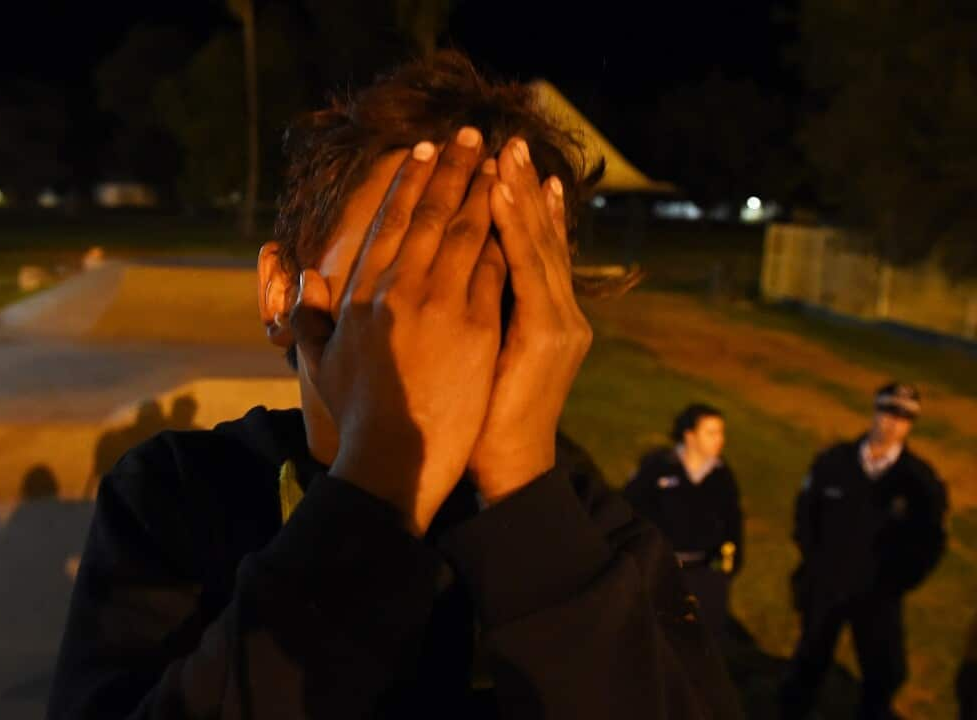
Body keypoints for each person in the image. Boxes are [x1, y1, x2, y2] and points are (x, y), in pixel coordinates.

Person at [47, 51, 741, 719]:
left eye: (500, 276)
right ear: (281, 293)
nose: (454, 317)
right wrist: (375, 487)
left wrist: (527, 498)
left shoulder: (591, 530)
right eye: (412, 264)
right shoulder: (179, 497)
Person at [779, 382, 948, 719]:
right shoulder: (834, 461)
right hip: (827, 586)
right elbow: (805, 516)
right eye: (888, 411)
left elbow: (930, 543)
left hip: (878, 596)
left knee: (881, 674)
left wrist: (896, 583)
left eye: (904, 417)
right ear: (875, 411)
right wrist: (817, 565)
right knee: (809, 662)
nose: (894, 423)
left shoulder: (919, 481)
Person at [624, 404, 743, 638]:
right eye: (711, 432)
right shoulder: (657, 467)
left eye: (721, 432)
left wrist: (727, 569)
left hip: (704, 573)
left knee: (701, 638)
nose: (720, 439)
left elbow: (733, 522)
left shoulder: (722, 475)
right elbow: (630, 508)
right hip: (657, 568)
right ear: (689, 435)